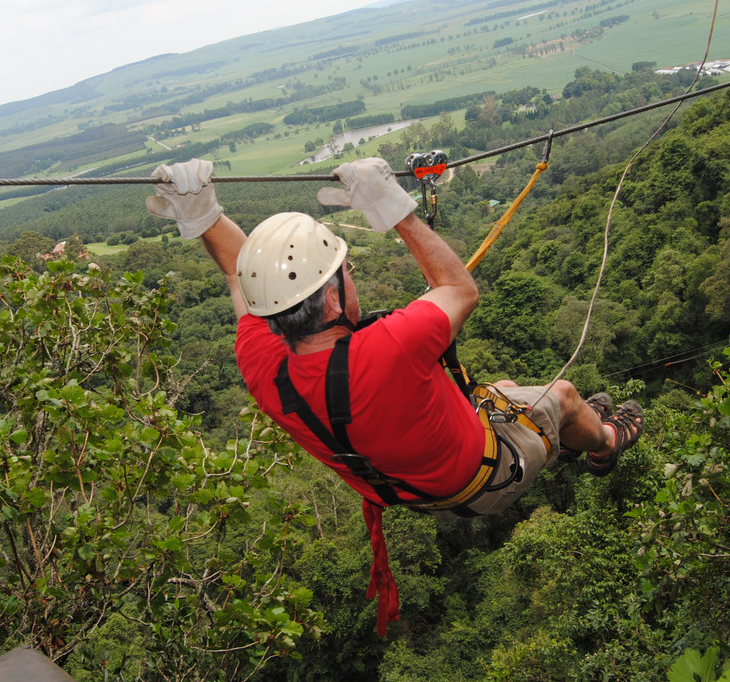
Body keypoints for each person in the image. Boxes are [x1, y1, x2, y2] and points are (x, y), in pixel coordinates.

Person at [146, 156, 643, 634]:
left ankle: (562, 431)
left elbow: (239, 274)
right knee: (564, 395)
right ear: (335, 297)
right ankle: (603, 444)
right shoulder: (389, 349)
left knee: (504, 391)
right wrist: (394, 207)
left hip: (413, 490)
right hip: (488, 477)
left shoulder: (263, 368)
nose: (353, 278)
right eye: (349, 272)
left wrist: (204, 213)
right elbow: (459, 288)